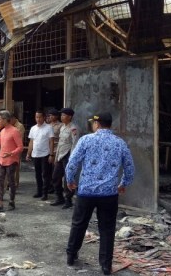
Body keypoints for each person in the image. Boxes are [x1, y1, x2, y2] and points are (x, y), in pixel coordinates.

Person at [64, 112, 135, 275]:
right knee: (107, 229)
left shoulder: (86, 140)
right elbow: (130, 168)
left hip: (86, 192)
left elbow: (72, 163)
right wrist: (123, 183)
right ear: (110, 124)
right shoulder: (120, 143)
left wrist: (70, 180)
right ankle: (105, 265)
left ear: (97, 124)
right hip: (109, 194)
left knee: (79, 224)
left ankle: (71, 255)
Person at [50, 107, 79, 209]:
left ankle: (68, 200)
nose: (61, 117)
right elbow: (60, 144)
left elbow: (74, 144)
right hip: (60, 155)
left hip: (68, 156)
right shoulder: (62, 127)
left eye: (64, 115)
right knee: (55, 177)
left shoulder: (73, 128)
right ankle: (59, 197)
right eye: (61, 115)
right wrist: (56, 157)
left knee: (68, 179)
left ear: (69, 117)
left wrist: (72, 159)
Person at [25, 110, 54, 200]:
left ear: (44, 117)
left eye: (40, 117)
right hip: (35, 154)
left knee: (45, 174)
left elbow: (51, 142)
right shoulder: (33, 128)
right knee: (37, 174)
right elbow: (31, 142)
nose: (38, 119)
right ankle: (39, 191)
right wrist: (28, 153)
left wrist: (51, 154)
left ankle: (45, 193)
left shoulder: (49, 128)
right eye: (36, 117)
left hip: (45, 154)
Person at [47, 108, 62, 195]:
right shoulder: (48, 125)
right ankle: (49, 185)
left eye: (52, 115)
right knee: (47, 169)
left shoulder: (60, 126)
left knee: (54, 169)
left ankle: (54, 186)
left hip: (56, 149)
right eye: (49, 115)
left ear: (56, 116)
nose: (51, 117)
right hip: (47, 149)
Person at [11, 114, 26, 188]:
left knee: (16, 166)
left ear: (13, 118)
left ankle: (15, 183)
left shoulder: (19, 126)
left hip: (16, 148)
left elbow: (19, 138)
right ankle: (9, 182)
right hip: (8, 148)